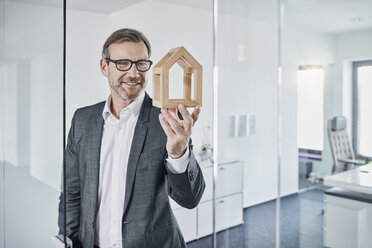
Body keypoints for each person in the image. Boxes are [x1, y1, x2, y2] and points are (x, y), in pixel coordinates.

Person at [58, 28, 205, 248]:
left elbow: (190, 199)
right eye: (123, 63)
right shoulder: (82, 119)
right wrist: (66, 240)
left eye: (141, 64)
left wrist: (179, 153)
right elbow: (71, 193)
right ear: (104, 67)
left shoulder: (167, 120)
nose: (134, 73)